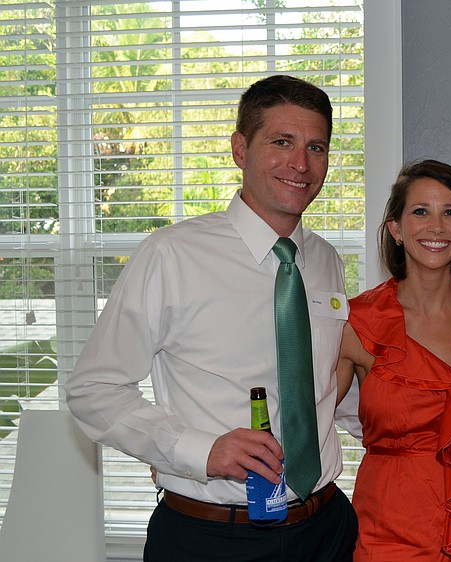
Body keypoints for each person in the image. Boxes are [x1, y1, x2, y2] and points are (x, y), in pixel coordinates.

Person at [66, 75, 358, 561]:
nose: (300, 164)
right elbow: (93, 390)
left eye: (316, 147)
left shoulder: (326, 260)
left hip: (325, 529)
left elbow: (326, 387)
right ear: (240, 149)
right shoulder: (171, 255)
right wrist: (200, 449)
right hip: (211, 538)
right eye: (281, 142)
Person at [336, 160, 451, 561]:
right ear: (396, 229)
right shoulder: (359, 322)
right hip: (392, 519)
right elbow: (304, 417)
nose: (437, 227)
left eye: (450, 212)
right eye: (420, 212)